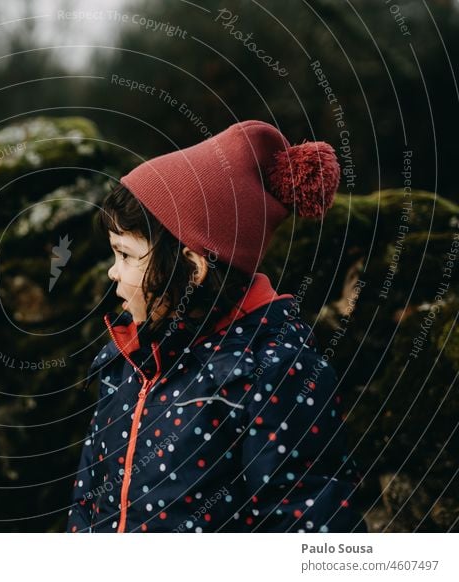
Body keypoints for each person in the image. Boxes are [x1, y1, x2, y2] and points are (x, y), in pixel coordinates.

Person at [67, 120, 366, 533]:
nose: (112, 274)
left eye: (125, 254)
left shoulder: (275, 373)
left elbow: (304, 520)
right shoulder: (125, 361)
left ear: (192, 268)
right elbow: (87, 501)